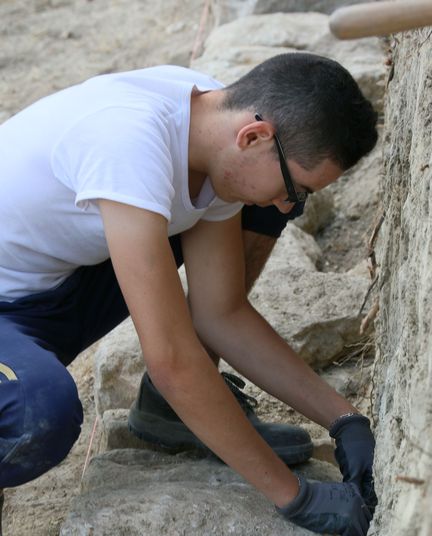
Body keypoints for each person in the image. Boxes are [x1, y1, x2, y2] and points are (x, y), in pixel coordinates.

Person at [0, 53, 378, 535]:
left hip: (48, 291)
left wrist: (345, 420)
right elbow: (173, 361)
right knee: (36, 414)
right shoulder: (129, 145)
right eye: (295, 188)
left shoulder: (213, 130)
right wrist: (295, 497)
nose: (291, 205)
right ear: (254, 136)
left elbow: (220, 314)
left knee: (255, 209)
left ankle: (176, 413)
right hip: (17, 304)